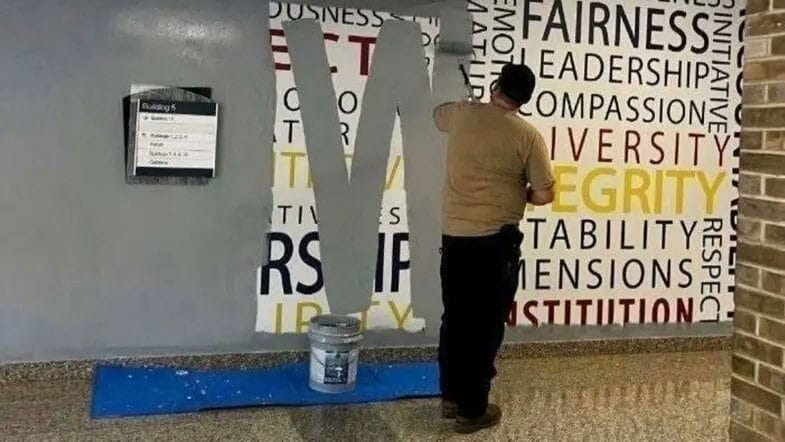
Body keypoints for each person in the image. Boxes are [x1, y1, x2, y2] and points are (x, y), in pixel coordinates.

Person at [432, 62, 555, 434]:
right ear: (525, 99)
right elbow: (545, 193)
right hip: (495, 246)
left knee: (455, 319)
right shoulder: (528, 136)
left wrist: (471, 109)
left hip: (455, 240)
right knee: (483, 326)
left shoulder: (461, 114)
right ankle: (473, 410)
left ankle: (451, 398)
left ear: (496, 86)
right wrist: (522, 192)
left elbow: (438, 116)